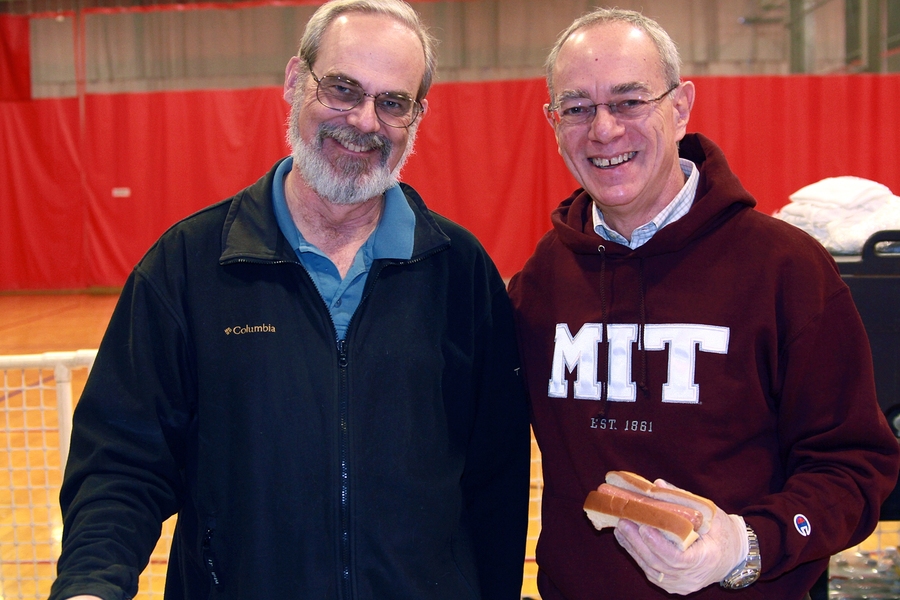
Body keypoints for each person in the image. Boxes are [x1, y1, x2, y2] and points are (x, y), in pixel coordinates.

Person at [48, 1, 531, 599]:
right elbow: (120, 462)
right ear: (295, 81)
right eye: (342, 88)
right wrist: (91, 584)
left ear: (416, 116)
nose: (364, 121)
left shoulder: (461, 272)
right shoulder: (188, 266)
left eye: (392, 102)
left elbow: (498, 481)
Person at [507, 7, 900, 600]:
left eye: (629, 100)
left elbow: (854, 468)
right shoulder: (540, 282)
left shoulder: (786, 270)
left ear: (682, 104)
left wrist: (746, 546)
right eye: (577, 108)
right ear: (552, 121)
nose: (604, 129)